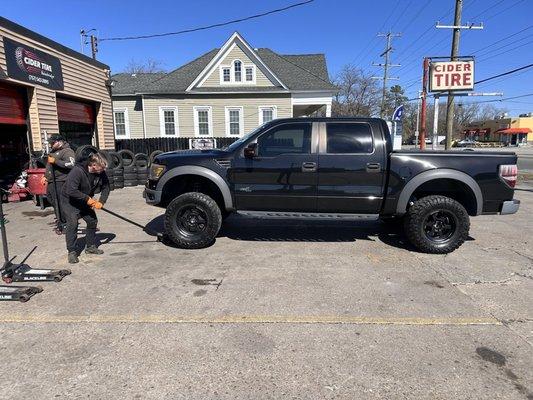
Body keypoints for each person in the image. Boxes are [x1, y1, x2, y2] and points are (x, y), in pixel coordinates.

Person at [62, 151, 110, 264]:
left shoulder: (100, 173)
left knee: (92, 220)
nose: (103, 170)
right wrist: (89, 200)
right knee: (72, 223)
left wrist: (101, 202)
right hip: (70, 200)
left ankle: (90, 247)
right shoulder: (77, 171)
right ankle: (72, 251)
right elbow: (71, 190)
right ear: (93, 165)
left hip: (84, 199)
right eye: (101, 167)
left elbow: (106, 187)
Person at [43, 134, 75, 234]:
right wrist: (45, 176)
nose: (51, 144)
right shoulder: (53, 151)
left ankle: (65, 224)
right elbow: (49, 166)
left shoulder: (67, 151)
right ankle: (60, 219)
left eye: (53, 142)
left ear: (60, 141)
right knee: (51, 199)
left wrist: (56, 161)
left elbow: (71, 164)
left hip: (61, 181)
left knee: (61, 203)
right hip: (52, 181)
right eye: (50, 142)